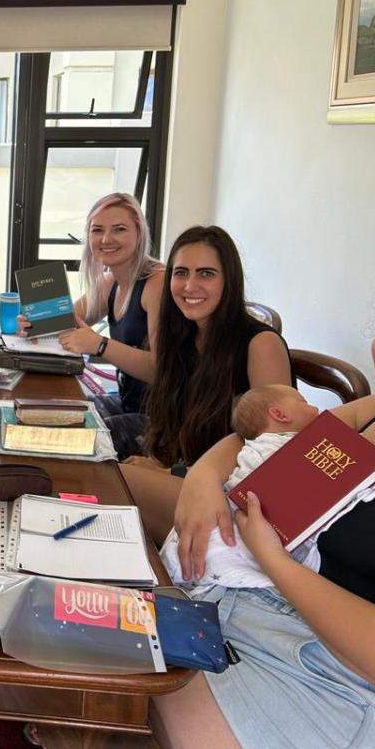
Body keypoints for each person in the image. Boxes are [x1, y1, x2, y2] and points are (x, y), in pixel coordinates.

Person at [150, 266, 375, 749]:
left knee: (139, 674)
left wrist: (274, 560)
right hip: (275, 611)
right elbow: (268, 434)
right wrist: (201, 478)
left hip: (354, 683)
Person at [118, 225, 293, 536]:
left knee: (112, 481)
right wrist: (162, 464)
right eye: (181, 273)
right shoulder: (184, 336)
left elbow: (272, 453)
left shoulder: (260, 344)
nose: (190, 285)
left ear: (229, 281)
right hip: (189, 476)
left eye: (206, 274)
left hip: (237, 504)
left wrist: (172, 472)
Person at [20, 192, 164, 456]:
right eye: (97, 230)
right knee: (46, 414)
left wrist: (100, 344)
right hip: (129, 404)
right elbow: (61, 320)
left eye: (119, 229)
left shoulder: (157, 283)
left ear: (139, 233)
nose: (106, 239)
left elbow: (160, 369)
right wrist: (33, 321)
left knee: (58, 439)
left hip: (163, 421)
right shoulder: (111, 282)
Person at [161, 385, 328, 591]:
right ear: (279, 414)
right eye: (304, 402)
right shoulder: (283, 447)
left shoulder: (251, 448)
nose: (316, 408)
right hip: (234, 533)